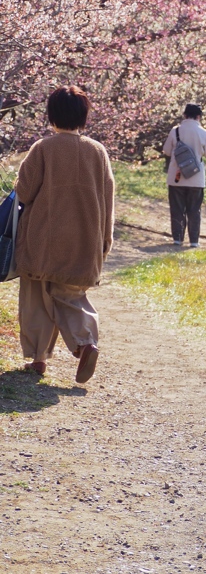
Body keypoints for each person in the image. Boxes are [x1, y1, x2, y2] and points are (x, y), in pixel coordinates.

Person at [15, 86, 114, 383]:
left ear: (52, 115)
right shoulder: (98, 151)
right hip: (84, 240)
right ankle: (85, 343)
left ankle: (38, 358)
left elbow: (24, 191)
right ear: (83, 116)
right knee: (71, 294)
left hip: (41, 238)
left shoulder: (43, 148)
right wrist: (104, 241)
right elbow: (108, 198)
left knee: (35, 296)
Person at [162, 104, 206, 248]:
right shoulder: (203, 132)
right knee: (194, 210)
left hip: (176, 177)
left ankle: (177, 239)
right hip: (196, 178)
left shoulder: (176, 131)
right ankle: (194, 241)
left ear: (184, 115)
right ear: (199, 117)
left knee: (177, 209)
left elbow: (166, 151)